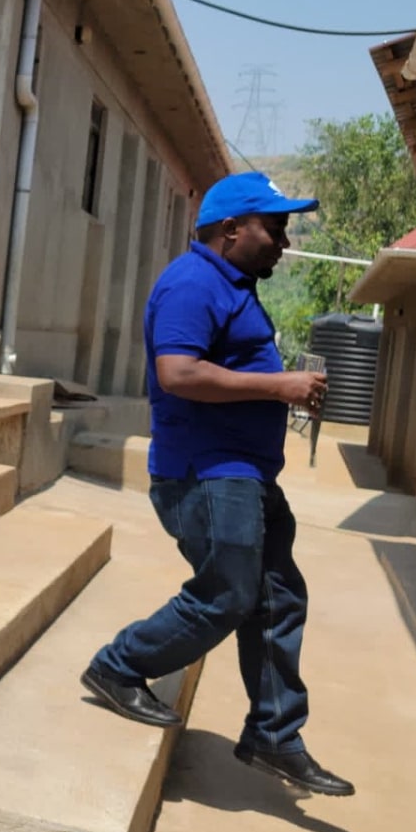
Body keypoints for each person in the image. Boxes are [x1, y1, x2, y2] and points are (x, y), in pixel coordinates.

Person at [81, 171, 354, 798]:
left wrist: (280, 391)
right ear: (231, 230)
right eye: (274, 229)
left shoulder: (231, 287)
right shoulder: (192, 282)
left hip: (244, 473)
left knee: (278, 597)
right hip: (206, 473)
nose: (284, 242)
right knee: (228, 593)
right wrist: (279, 386)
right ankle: (118, 666)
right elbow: (177, 373)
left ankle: (275, 734)